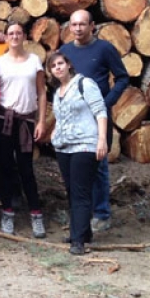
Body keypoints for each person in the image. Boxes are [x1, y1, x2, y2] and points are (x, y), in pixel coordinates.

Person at [59, 9, 129, 232]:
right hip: (73, 119)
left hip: (98, 118)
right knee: (74, 167)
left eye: (82, 24)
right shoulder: (66, 51)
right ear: (69, 27)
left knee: (98, 165)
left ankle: (101, 213)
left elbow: (122, 77)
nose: (78, 28)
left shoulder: (105, 49)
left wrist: (107, 102)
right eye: (74, 24)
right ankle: (80, 216)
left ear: (92, 26)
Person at [47, 51, 108, 255]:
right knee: (72, 191)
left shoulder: (85, 84)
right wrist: (55, 133)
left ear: (68, 65)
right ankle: (82, 232)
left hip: (85, 145)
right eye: (53, 65)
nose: (58, 67)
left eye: (60, 63)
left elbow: (100, 111)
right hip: (64, 147)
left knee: (81, 192)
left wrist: (101, 140)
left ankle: (78, 241)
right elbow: (60, 117)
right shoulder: (58, 93)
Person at [0, 22, 47, 238]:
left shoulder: (34, 61)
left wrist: (41, 121)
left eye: (18, 33)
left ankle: (36, 213)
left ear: (25, 36)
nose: (14, 36)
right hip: (3, 119)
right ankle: (7, 212)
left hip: (26, 120)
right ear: (6, 36)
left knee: (26, 168)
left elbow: (41, 92)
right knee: (5, 168)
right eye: (11, 33)